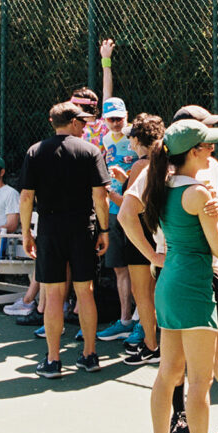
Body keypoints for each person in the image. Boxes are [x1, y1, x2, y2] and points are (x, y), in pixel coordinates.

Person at [118, 103, 218, 433]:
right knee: (176, 356)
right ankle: (181, 418)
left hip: (209, 269)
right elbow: (127, 214)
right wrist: (152, 255)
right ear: (187, 139)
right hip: (177, 268)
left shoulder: (209, 165)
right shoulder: (156, 172)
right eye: (205, 133)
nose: (212, 143)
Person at [130, 119, 218, 433]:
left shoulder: (162, 185)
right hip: (193, 285)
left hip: (169, 282)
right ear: (193, 152)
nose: (211, 151)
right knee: (199, 381)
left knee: (168, 373)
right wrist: (213, 215)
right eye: (207, 146)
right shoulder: (198, 194)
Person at [19, 102, 110, 378]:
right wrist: (104, 230)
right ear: (71, 122)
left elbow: (26, 197)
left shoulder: (35, 151)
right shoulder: (90, 150)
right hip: (84, 227)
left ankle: (53, 360)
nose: (84, 126)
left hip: (49, 229)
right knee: (86, 292)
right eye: (81, 121)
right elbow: (100, 196)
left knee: (55, 295)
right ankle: (90, 355)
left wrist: (26, 232)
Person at [114, 113, 165, 365]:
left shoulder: (139, 165)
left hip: (140, 236)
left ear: (137, 139)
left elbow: (128, 206)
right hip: (156, 232)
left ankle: (151, 345)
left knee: (142, 293)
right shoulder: (162, 162)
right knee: (153, 292)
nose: (129, 143)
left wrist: (106, 192)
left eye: (131, 138)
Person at [98, 96, 138, 340]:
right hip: (113, 210)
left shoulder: (135, 135)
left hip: (135, 208)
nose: (115, 123)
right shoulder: (104, 139)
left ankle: (142, 321)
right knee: (120, 268)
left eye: (119, 118)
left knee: (141, 268)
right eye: (111, 119)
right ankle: (125, 318)